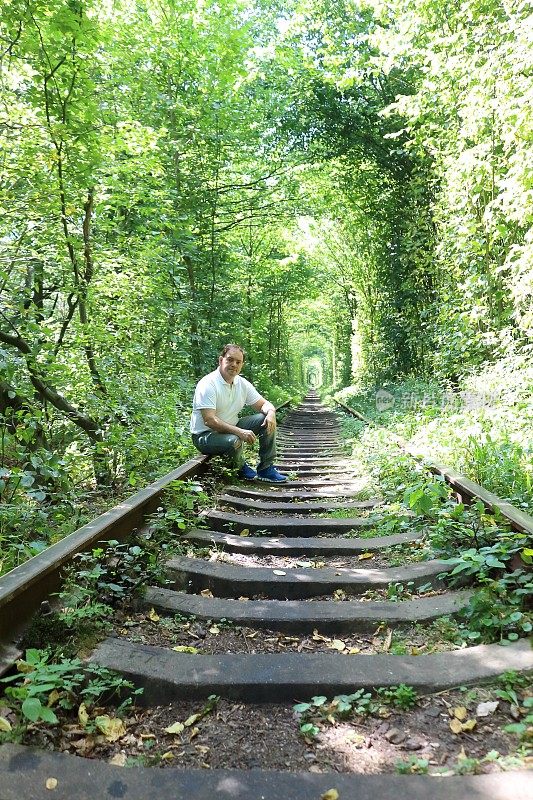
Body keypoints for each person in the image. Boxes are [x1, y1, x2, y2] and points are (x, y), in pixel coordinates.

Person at [190, 344, 288, 482]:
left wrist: (271, 412)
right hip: (205, 436)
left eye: (238, 362)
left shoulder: (242, 384)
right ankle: (240, 467)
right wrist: (240, 432)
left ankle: (266, 468)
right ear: (220, 360)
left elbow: (264, 404)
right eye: (230, 360)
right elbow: (210, 420)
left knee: (265, 418)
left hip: (231, 427)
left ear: (242, 364)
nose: (234, 364)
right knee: (234, 440)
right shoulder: (208, 384)